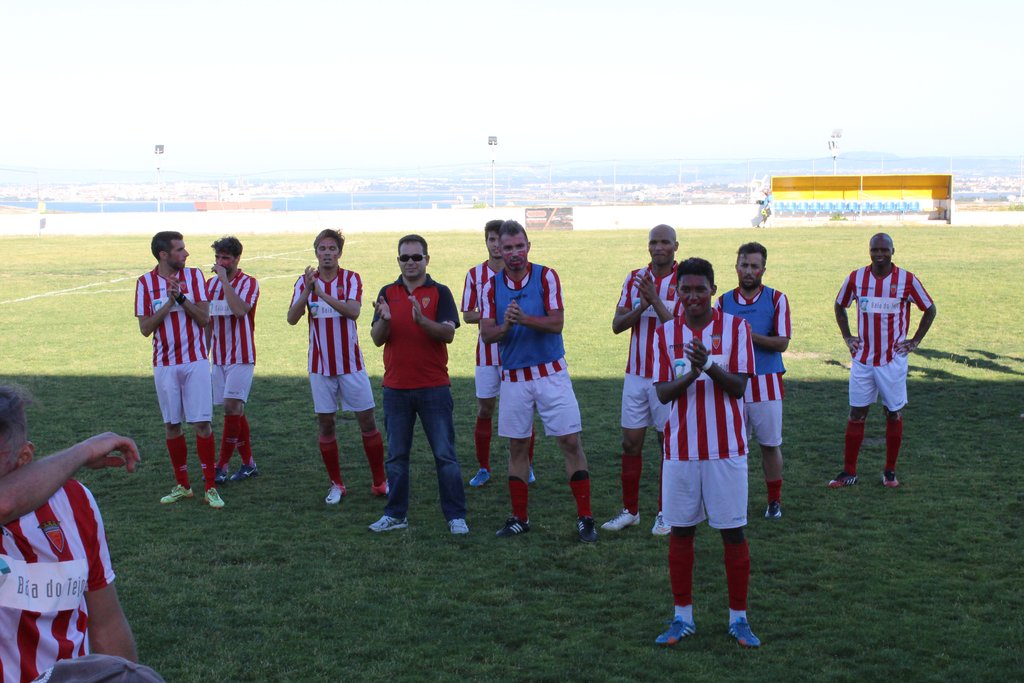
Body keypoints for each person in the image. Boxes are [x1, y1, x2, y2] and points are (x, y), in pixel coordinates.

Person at [652, 258, 761, 648]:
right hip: (680, 451)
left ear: (713, 290)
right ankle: (682, 617)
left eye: (701, 289)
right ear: (677, 292)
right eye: (686, 289)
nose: (693, 296)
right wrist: (692, 373)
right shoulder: (665, 333)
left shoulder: (736, 328)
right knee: (681, 531)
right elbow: (662, 392)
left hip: (726, 450)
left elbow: (739, 387)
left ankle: (739, 619)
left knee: (732, 531)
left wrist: (709, 365)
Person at [1, 386, 140, 681]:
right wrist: (84, 451)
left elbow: (106, 622)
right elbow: (4, 504)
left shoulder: (74, 502)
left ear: (24, 457)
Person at [480, 220, 596, 542]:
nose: (514, 253)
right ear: (499, 250)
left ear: (528, 246)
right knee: (517, 446)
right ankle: (520, 518)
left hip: (551, 374)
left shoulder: (547, 276)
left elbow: (557, 323)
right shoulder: (490, 287)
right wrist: (506, 327)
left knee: (570, 441)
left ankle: (586, 517)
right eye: (508, 247)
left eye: (520, 246)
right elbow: (487, 334)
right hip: (514, 378)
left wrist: (524, 319)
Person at [369, 235, 468, 534]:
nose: (410, 262)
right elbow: (376, 339)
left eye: (416, 257)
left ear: (427, 259)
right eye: (405, 257)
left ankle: (455, 516)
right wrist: (385, 320)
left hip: (433, 387)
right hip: (396, 389)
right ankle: (395, 514)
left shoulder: (440, 292)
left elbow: (448, 334)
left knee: (445, 455)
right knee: (397, 457)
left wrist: (422, 321)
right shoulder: (387, 292)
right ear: (398, 260)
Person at [287, 229, 388, 505]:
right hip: (319, 366)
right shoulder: (304, 282)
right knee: (326, 424)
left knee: (367, 421)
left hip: (351, 364)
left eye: (332, 249)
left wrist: (320, 293)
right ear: (316, 252)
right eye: (322, 249)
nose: (327, 254)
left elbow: (353, 312)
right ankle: (336, 484)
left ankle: (380, 482)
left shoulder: (351, 278)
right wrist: (307, 291)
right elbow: (292, 318)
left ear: (340, 253)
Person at [829, 233, 936, 488]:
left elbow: (930, 309)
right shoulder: (856, 278)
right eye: (875, 250)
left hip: (892, 360)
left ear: (892, 251)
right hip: (863, 359)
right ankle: (849, 472)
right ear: (869, 251)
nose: (879, 254)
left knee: (893, 413)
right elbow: (839, 305)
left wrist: (914, 341)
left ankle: (890, 471)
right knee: (856, 413)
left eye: (884, 250)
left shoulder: (906, 280)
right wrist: (847, 337)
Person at [135, 231, 223, 508]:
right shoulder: (144, 284)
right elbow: (145, 328)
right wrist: (169, 303)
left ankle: (210, 487)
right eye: (180, 250)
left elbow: (204, 318)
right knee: (172, 425)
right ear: (164, 255)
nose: (186, 254)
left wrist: (181, 299)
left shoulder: (195, 277)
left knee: (202, 423)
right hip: (164, 364)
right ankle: (183, 485)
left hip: (195, 361)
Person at [603, 224, 678, 535]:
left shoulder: (685, 280)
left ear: (675, 246)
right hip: (635, 375)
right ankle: (630, 511)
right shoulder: (635, 277)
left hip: (667, 376)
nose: (658, 247)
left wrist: (655, 302)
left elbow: (682, 329)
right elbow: (617, 324)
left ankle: (666, 512)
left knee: (667, 445)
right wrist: (642, 307)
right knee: (630, 443)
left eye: (664, 242)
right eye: (653, 242)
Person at [716, 242, 792, 519]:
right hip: (732, 383)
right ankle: (734, 499)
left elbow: (782, 343)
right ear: (736, 267)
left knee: (770, 444)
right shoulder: (723, 302)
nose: (748, 271)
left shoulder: (776, 299)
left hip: (766, 382)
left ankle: (774, 501)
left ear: (763, 269)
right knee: (732, 448)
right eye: (744, 265)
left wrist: (748, 335)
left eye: (754, 266)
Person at [459, 219, 535, 488]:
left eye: (498, 240)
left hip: (518, 352)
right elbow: (467, 314)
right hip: (487, 354)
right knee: (485, 409)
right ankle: (483, 467)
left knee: (523, 410)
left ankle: (527, 464)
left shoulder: (525, 273)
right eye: (490, 239)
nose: (495, 245)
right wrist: (495, 313)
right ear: (487, 243)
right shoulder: (475, 275)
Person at [206, 236, 260, 485]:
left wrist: (225, 282)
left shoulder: (249, 283)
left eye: (225, 258)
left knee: (231, 407)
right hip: (218, 357)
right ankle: (249, 464)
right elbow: (208, 322)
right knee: (235, 410)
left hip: (241, 355)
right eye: (218, 257)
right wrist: (203, 354)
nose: (220, 262)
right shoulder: (210, 285)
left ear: (237, 259)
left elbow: (239, 310)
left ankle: (222, 466)